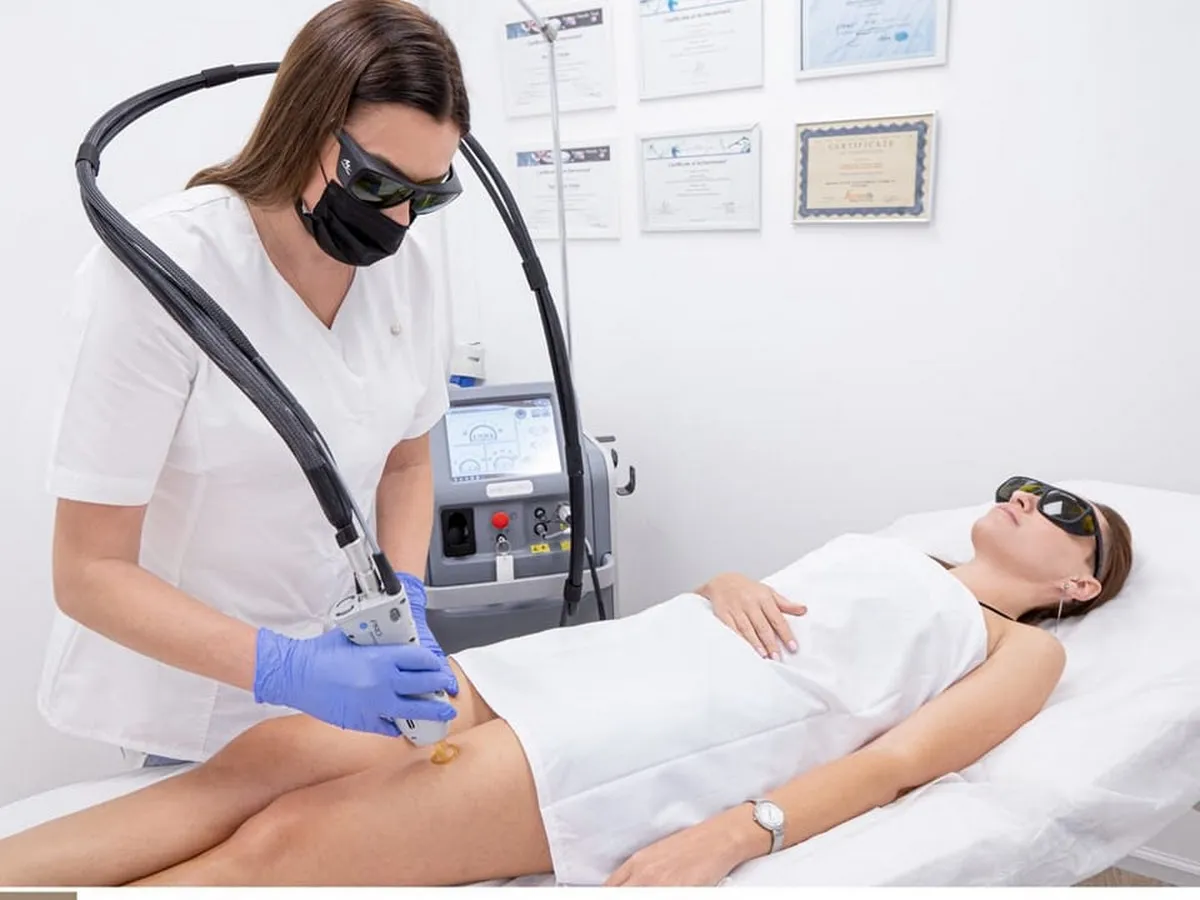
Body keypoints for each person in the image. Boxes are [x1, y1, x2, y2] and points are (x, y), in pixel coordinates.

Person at [0, 477, 1134, 887]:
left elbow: (897, 763)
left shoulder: (1021, 648)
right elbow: (776, 606)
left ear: (1080, 584)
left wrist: (736, 834)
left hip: (671, 731)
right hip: (612, 656)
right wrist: (724, 582)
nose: (1026, 500)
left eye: (1062, 511)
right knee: (264, 757)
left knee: (285, 848)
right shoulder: (896, 553)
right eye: (1021, 484)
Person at [39, 0, 470, 768]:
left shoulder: (410, 271)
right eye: (378, 184)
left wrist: (404, 595)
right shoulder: (159, 271)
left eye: (429, 194)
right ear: (305, 130)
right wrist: (287, 669)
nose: (402, 220)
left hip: (342, 694)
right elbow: (88, 572)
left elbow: (407, 463)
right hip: (190, 705)